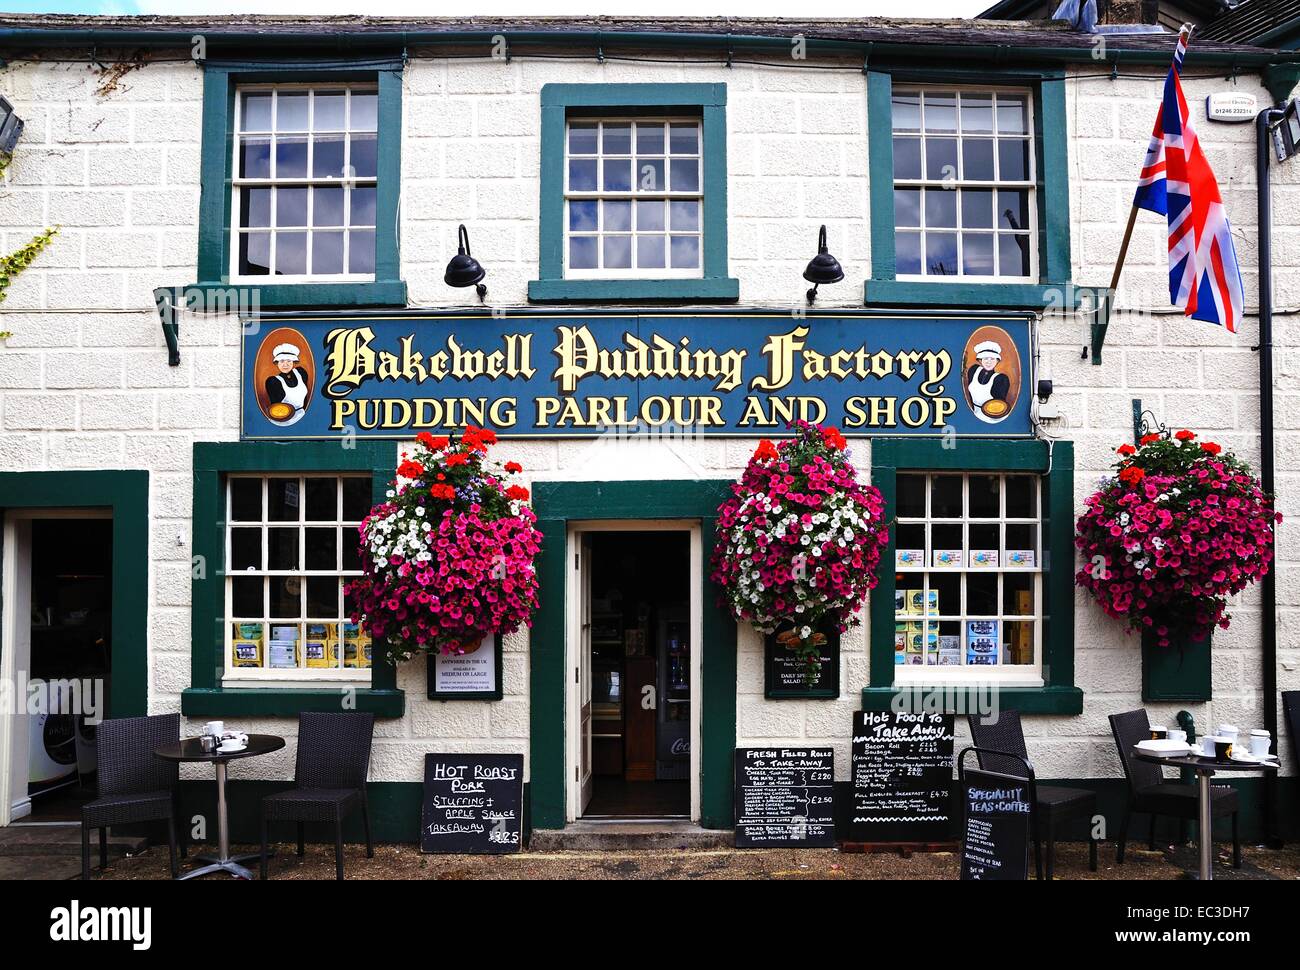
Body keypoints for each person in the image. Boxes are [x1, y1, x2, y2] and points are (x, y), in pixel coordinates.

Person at [265, 342, 310, 426]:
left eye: (289, 361)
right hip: (283, 421)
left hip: (302, 416)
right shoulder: (273, 382)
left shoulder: (301, 373)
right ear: (277, 363)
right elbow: (275, 407)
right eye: (282, 361)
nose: (285, 365)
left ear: (293, 362)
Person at [966, 340, 1010, 416]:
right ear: (980, 360)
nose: (989, 362)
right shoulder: (973, 370)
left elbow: (1000, 406)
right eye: (986, 358)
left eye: (992, 359)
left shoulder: (1001, 379)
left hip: (991, 418)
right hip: (974, 413)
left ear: (997, 361)